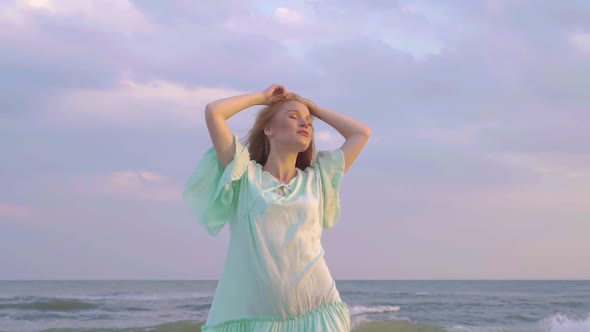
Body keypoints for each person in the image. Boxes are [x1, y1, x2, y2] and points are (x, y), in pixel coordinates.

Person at [183, 84, 371, 331]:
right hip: (253, 317)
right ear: (268, 129)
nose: (305, 124)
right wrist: (262, 98)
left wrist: (311, 108)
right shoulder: (243, 176)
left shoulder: (317, 179)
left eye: (309, 122)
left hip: (317, 311)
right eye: (293, 117)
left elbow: (361, 133)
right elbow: (214, 112)